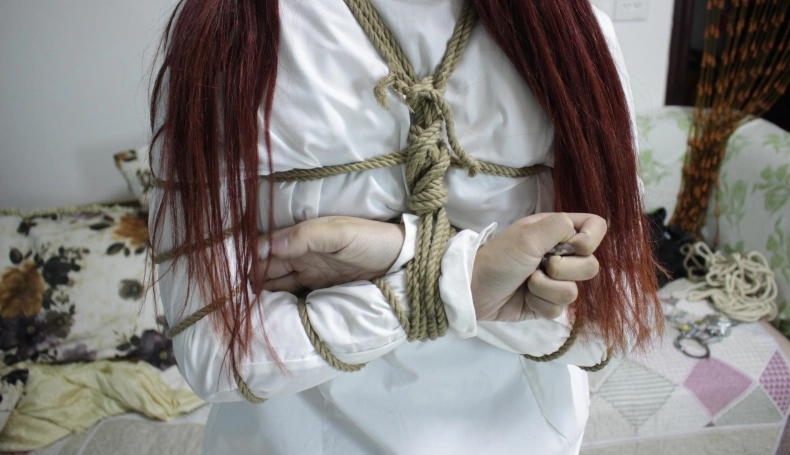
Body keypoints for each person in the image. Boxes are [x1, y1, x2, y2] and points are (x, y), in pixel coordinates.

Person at [148, 0, 662, 453]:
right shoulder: (234, 34)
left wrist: (412, 260)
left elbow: (613, 324)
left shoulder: (575, 34)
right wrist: (459, 280)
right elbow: (214, 354)